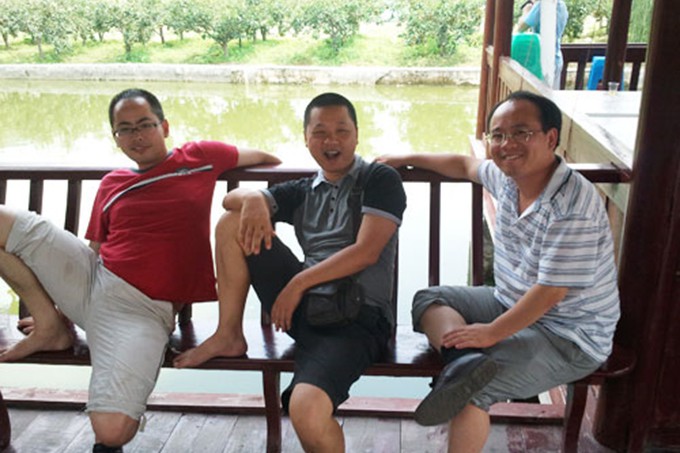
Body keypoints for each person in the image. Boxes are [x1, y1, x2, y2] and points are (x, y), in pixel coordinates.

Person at [0, 88, 280, 452]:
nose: (137, 136)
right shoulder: (112, 183)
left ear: (164, 127)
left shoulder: (199, 157)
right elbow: (94, 250)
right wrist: (60, 305)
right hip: (93, 279)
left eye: (145, 125)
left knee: (113, 431)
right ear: (116, 137)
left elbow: (267, 157)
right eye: (125, 129)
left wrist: (256, 197)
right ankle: (50, 327)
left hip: (141, 311)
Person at [377, 91, 620, 452]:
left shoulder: (572, 205)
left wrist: (491, 333)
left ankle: (467, 376)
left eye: (521, 133)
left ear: (551, 138)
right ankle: (463, 364)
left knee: (472, 393)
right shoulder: (508, 179)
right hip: (509, 301)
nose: (507, 144)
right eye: (498, 135)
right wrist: (406, 157)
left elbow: (551, 293)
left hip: (569, 336)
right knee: (431, 298)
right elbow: (463, 165)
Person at [173, 92, 407, 452]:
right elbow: (229, 200)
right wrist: (254, 198)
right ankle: (229, 334)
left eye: (341, 131)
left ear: (357, 135)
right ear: (306, 138)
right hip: (304, 310)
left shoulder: (379, 179)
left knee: (306, 410)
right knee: (232, 222)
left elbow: (366, 253)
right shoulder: (304, 190)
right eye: (320, 132)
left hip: (356, 319)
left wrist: (297, 283)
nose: (331, 141)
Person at [517, 0, 569, 89]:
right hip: (556, 58)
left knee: (540, 94)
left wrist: (526, 12)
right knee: (551, 94)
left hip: (543, 61)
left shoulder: (542, 4)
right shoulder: (561, 5)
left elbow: (521, 27)